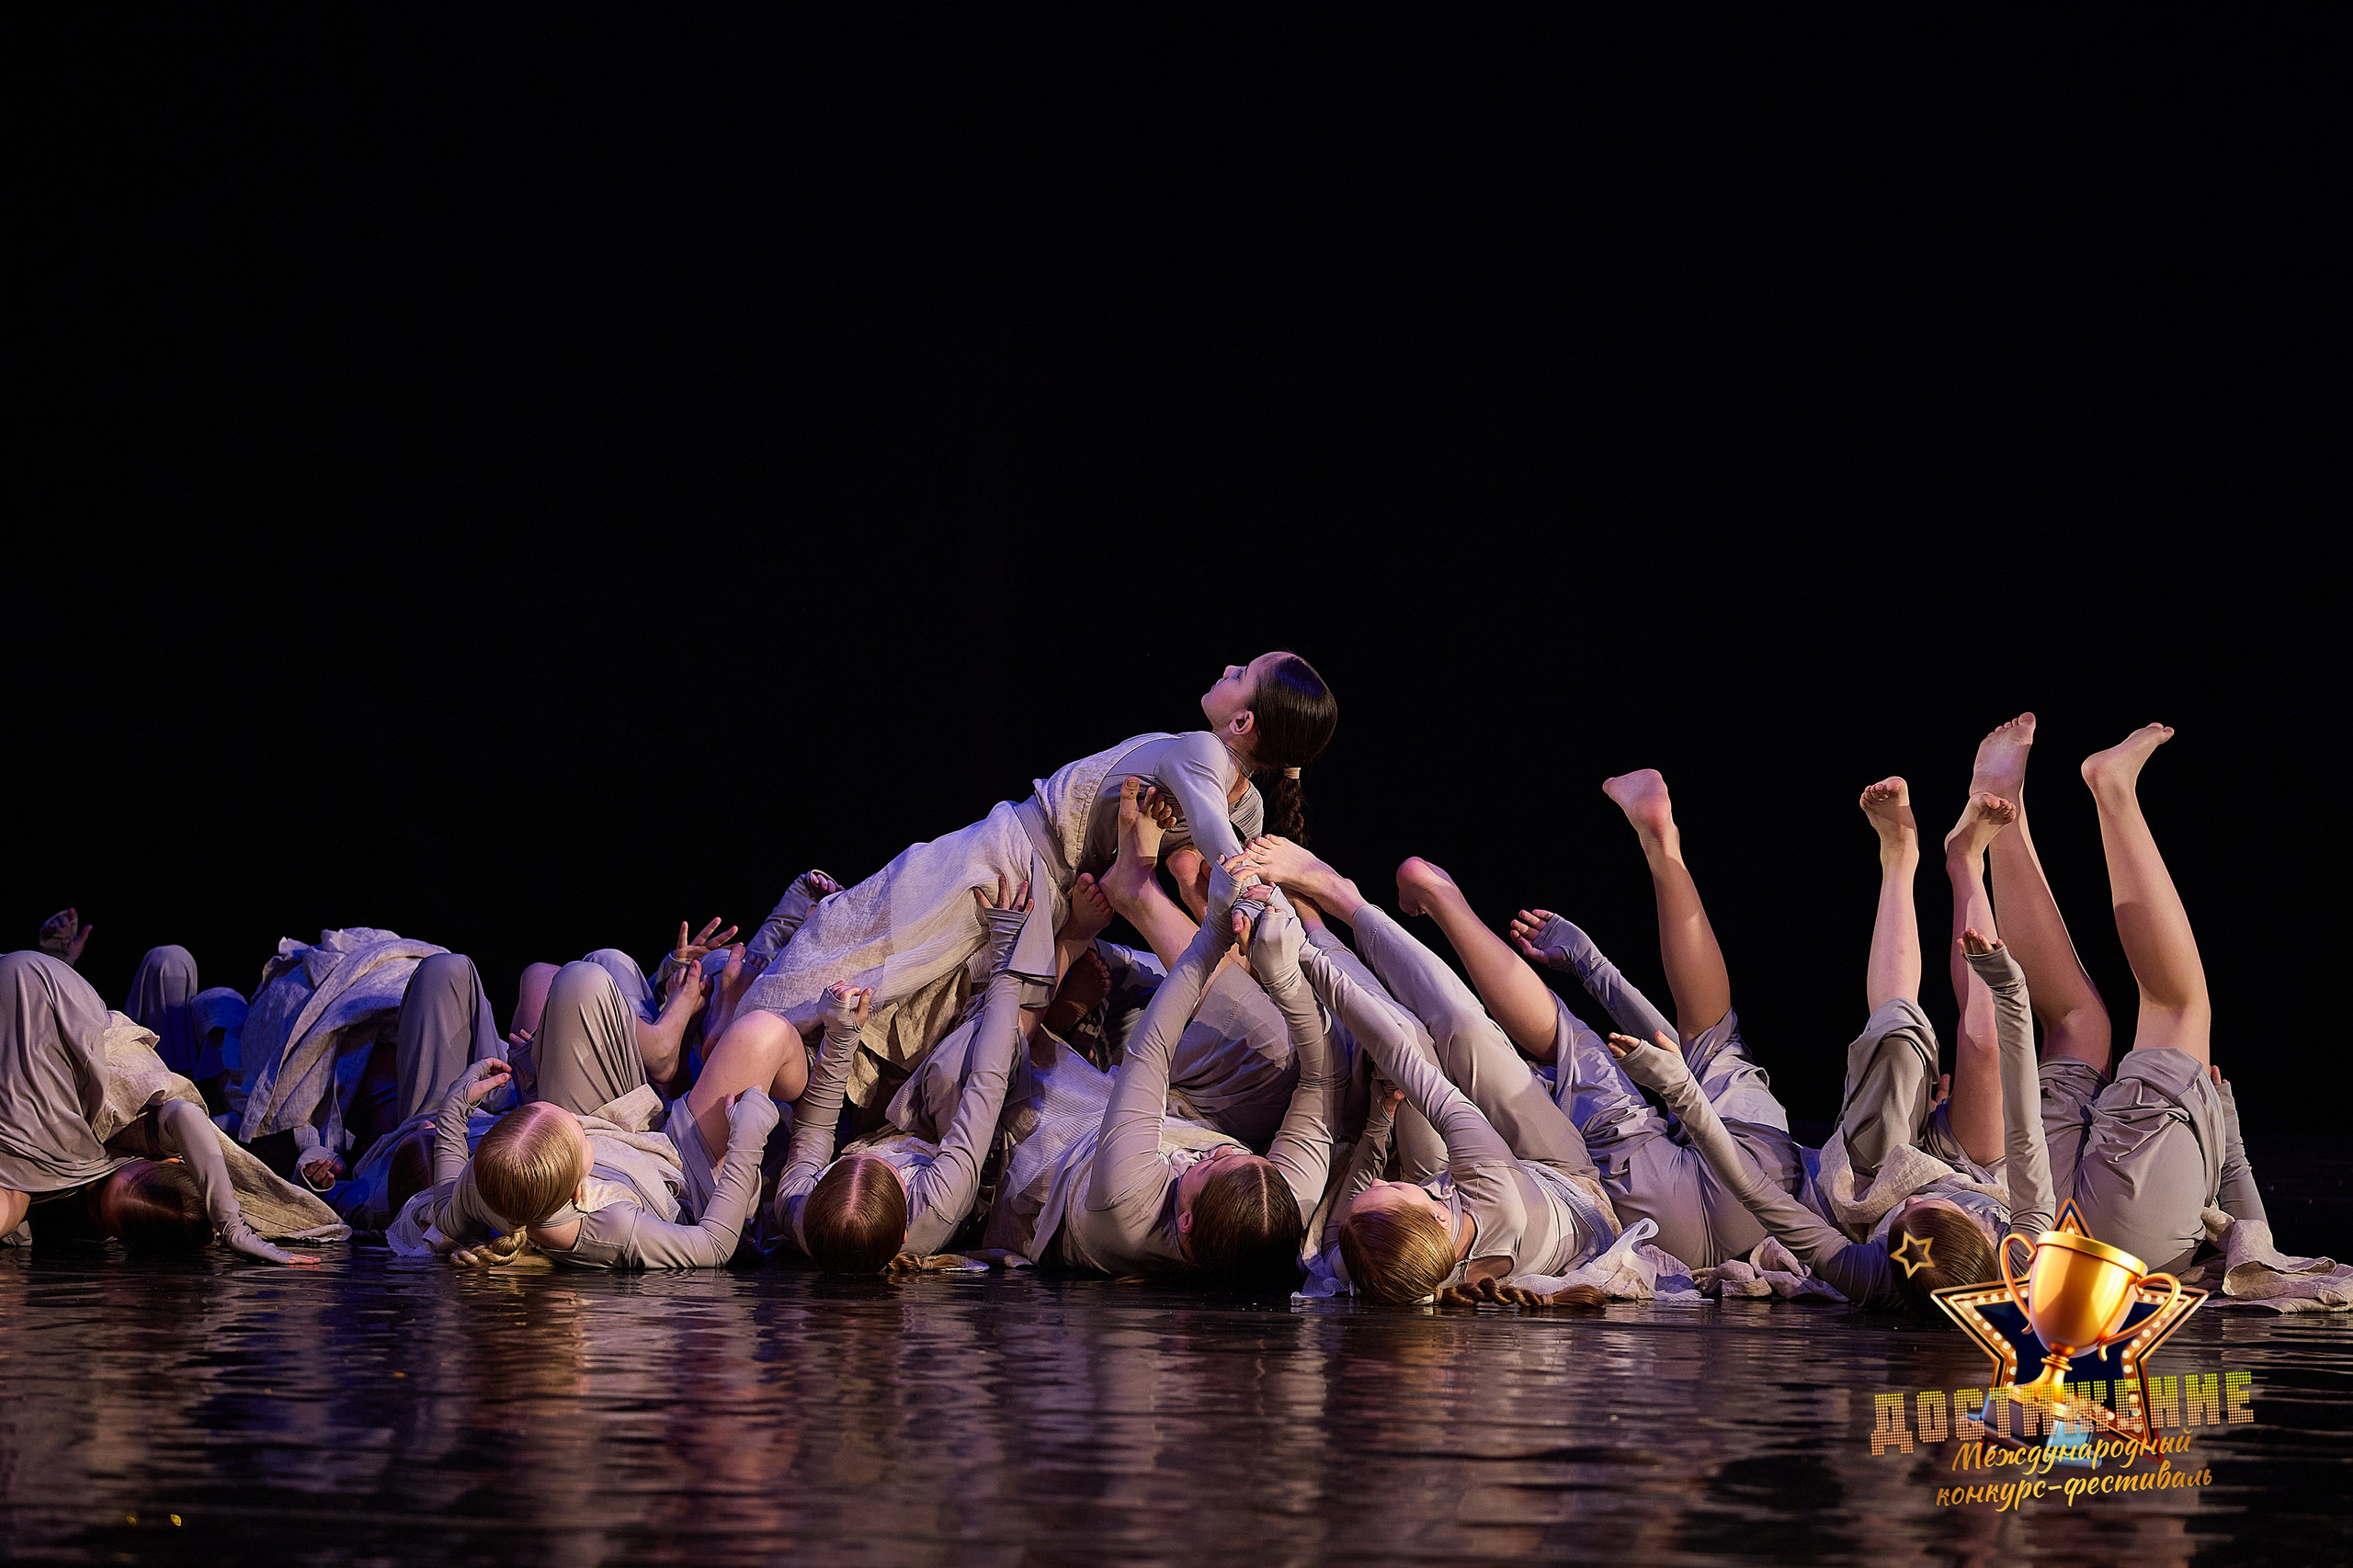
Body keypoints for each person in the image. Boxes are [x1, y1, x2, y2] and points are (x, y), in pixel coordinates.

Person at [728, 654, 1338, 1082]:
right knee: (879, 978)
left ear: (1242, 723)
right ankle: (747, 1053)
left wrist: (1243, 887)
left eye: (1241, 675)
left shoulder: (1211, 758)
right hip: (1021, 870)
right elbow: (1206, 835)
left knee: (878, 974)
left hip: (1010, 871)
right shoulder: (1240, 799)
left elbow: (1204, 838)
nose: (1227, 669)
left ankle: (747, 1061)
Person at [2, 949, 335, 1264]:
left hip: (33, 994)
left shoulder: (45, 1178)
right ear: (171, 1158)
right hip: (59, 1000)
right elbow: (184, 1114)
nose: (90, 1185)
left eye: (97, 1210)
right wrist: (230, 1222)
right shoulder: (117, 1141)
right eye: (108, 1178)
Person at [775, 879, 1034, 1271]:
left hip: (886, 1127)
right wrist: (1006, 960)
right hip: (951, 1141)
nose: (887, 1161)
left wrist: (840, 1036)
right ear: (904, 1237)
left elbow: (812, 1130)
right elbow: (987, 1083)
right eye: (894, 1176)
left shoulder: (799, 1211)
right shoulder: (937, 1203)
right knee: (957, 1066)